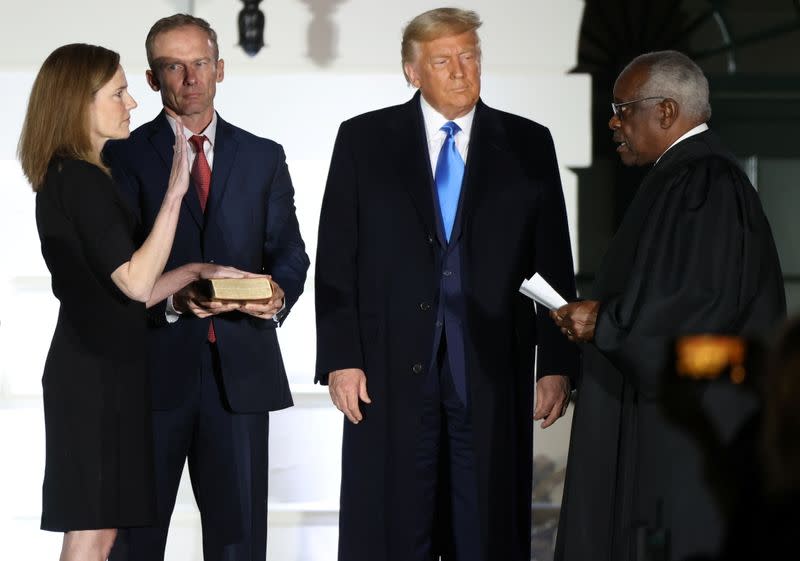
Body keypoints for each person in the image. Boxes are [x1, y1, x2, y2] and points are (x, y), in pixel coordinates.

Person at [314, 8, 578, 561]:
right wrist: (341, 357)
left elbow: (551, 265)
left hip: (490, 372)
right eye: (443, 60)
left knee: (485, 532)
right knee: (392, 532)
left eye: (470, 56)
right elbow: (339, 260)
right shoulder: (363, 140)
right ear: (413, 71)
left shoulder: (529, 144)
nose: (461, 71)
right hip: (385, 377)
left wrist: (555, 363)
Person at [551, 50, 786, 561]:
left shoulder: (705, 182)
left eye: (622, 107)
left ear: (664, 111)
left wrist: (605, 325)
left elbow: (696, 310)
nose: (613, 121)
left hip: (689, 434)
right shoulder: (682, 176)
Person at [18, 43, 243, 561]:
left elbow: (122, 290)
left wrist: (195, 270)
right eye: (118, 93)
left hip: (103, 369)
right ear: (80, 103)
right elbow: (137, 285)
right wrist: (174, 194)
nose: (132, 103)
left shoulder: (77, 177)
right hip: (94, 377)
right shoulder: (78, 178)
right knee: (93, 531)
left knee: (102, 531)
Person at [104, 14, 309, 561]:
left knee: (240, 546)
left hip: (241, 377)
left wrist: (277, 296)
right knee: (133, 543)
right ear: (152, 79)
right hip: (150, 378)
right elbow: (116, 269)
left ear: (219, 68)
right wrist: (174, 299)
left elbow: (290, 253)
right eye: (174, 66)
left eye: (199, 63)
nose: (190, 78)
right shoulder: (119, 157)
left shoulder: (264, 155)